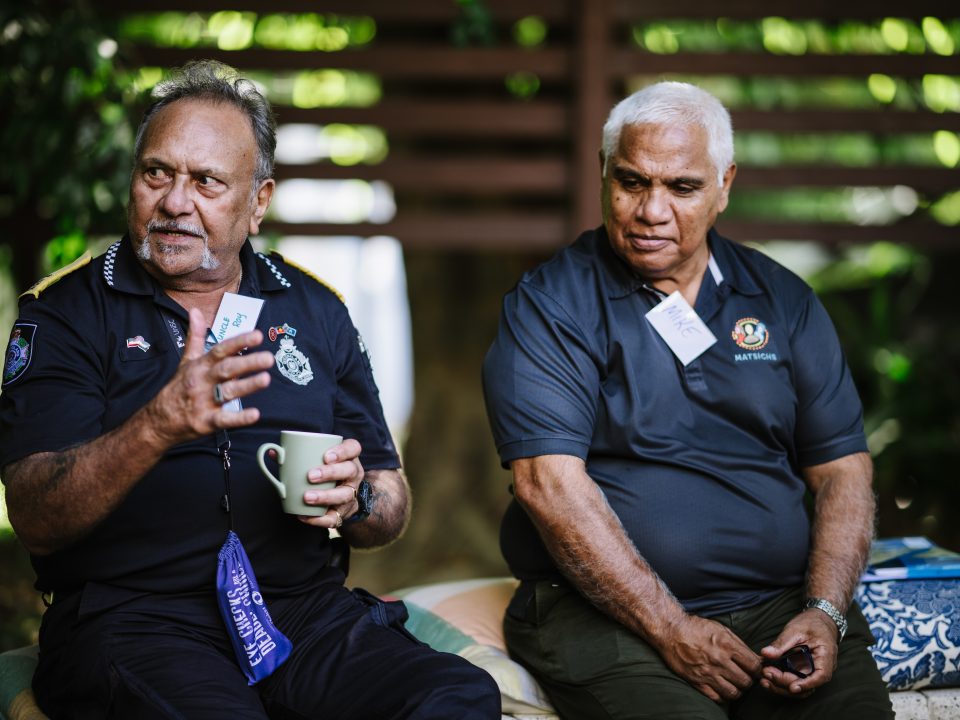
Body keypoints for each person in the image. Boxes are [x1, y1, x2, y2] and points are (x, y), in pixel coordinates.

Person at [0, 60, 500, 719]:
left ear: (258, 202)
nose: (175, 202)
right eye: (157, 173)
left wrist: (358, 498)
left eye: (206, 181)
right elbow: (35, 515)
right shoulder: (66, 312)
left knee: (457, 697)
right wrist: (159, 425)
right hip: (136, 618)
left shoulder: (316, 310)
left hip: (298, 611)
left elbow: (389, 495)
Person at [482, 81, 893, 719]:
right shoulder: (551, 304)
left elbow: (843, 470)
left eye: (682, 187)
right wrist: (671, 627)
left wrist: (825, 611)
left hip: (780, 606)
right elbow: (547, 486)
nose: (651, 211)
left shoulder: (781, 300)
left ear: (724, 184)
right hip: (603, 614)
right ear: (603, 174)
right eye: (632, 182)